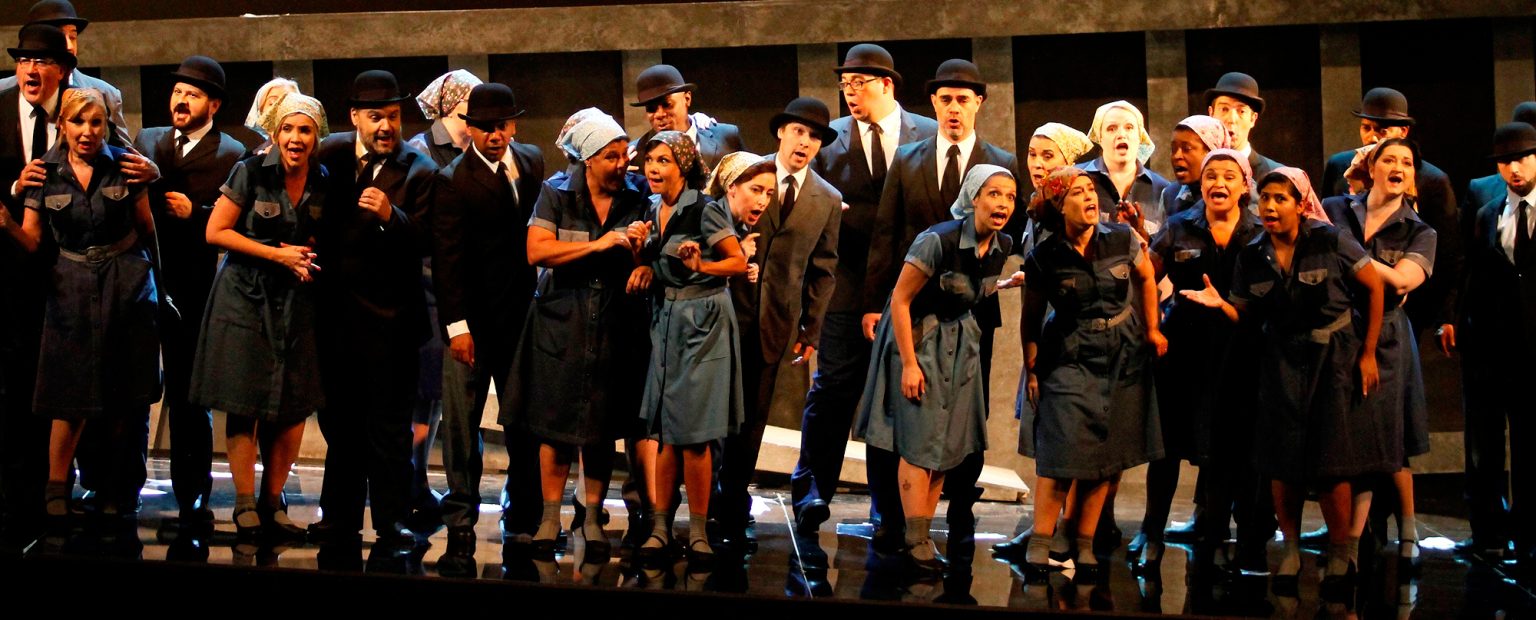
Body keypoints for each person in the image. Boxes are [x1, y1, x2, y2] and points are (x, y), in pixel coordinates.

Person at [1180, 167, 1386, 598]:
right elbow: (1244, 313)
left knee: (1332, 460)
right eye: (1265, 199)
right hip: (1281, 360)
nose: (1270, 207)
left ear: (1300, 204)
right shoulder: (1253, 253)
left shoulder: (1329, 240)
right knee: (1281, 460)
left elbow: (1373, 286)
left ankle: (1341, 551)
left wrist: (1368, 352)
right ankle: (1290, 549)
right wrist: (1220, 305)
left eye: (1280, 199)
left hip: (1333, 359)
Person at [862, 58, 1021, 548]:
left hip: (972, 314)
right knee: (902, 413)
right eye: (946, 99)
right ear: (933, 103)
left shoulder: (1001, 162)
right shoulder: (908, 158)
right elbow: (886, 234)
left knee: (964, 415)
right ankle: (893, 515)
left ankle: (959, 509)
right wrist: (873, 303)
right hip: (915, 310)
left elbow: (1011, 238)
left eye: (963, 99)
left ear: (979, 104)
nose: (954, 108)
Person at [0, 88, 162, 531]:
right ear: (62, 125)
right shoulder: (44, 172)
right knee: (66, 392)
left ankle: (114, 489)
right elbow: (33, 240)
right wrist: (7, 225)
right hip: (69, 287)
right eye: (78, 122)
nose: (88, 132)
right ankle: (56, 490)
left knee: (122, 394)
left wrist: (152, 285)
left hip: (125, 282)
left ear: (107, 126)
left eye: (96, 123)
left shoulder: (126, 165)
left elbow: (147, 227)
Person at [795, 43, 937, 535]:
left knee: (892, 400)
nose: (850, 93)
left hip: (907, 289)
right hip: (846, 287)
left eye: (859, 83)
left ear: (886, 85)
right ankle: (812, 491)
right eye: (845, 85)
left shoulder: (928, 134)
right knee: (833, 389)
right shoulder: (830, 140)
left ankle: (887, 507)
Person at [503, 111, 651, 563]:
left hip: (614, 322)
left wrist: (641, 253)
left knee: (600, 427)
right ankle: (550, 517)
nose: (622, 163)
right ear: (587, 159)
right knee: (555, 425)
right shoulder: (556, 192)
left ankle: (592, 516)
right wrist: (598, 245)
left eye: (624, 154)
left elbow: (650, 254)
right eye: (611, 156)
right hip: (561, 321)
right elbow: (536, 251)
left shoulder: (637, 195)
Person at [854, 164, 1016, 576]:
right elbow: (900, 301)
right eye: (994, 193)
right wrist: (909, 364)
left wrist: (1002, 285)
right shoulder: (937, 240)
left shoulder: (1002, 245)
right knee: (919, 439)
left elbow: (973, 293)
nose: (1003, 203)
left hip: (960, 345)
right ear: (974, 198)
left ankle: (920, 535)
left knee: (944, 445)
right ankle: (914, 539)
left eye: (1011, 197)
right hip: (918, 339)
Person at [187, 92, 329, 540]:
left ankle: (273, 502)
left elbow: (318, 237)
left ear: (317, 138)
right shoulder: (249, 171)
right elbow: (215, 231)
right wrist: (276, 254)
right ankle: (245, 503)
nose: (295, 138)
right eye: (287, 129)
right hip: (244, 298)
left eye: (304, 130)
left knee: (292, 406)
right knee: (243, 402)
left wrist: (304, 257)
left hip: (295, 302)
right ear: (275, 133)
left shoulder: (322, 179)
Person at [1016, 166, 1166, 578]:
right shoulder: (1044, 257)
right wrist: (1032, 369)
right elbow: (1030, 319)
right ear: (1059, 206)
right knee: (1061, 450)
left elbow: (1146, 278)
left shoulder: (1121, 238)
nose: (1089, 198)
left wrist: (1152, 328)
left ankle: (1083, 541)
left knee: (1107, 450)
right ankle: (1041, 540)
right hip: (1069, 352)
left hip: (1123, 352)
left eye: (1090, 190)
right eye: (1077, 192)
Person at [309, 70, 436, 548]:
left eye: (394, 116)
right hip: (336, 321)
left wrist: (391, 215)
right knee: (340, 426)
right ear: (354, 117)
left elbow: (429, 241)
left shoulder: (420, 169)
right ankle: (338, 516)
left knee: (389, 429)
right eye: (376, 116)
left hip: (392, 323)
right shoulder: (330, 155)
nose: (386, 126)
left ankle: (392, 519)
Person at [713, 98, 841, 552]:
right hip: (723, 312)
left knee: (752, 420)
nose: (804, 142)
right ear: (781, 132)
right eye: (798, 132)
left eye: (814, 137)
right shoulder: (747, 173)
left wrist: (811, 329)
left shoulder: (827, 199)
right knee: (715, 414)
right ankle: (709, 499)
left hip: (774, 322)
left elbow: (824, 269)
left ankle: (732, 503)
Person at [428, 82, 545, 567]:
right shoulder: (453, 179)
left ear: (513, 125)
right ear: (470, 129)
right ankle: (461, 517)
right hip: (472, 322)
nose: (495, 135)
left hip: (520, 319)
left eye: (502, 126)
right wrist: (457, 328)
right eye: (485, 128)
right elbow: (447, 260)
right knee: (461, 425)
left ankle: (523, 515)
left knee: (523, 423)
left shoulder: (531, 161)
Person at [1135, 149, 1265, 572]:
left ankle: (1218, 536)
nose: (1218, 183)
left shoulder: (1258, 232)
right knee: (1168, 448)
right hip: (1183, 348)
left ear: (1244, 186)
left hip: (1238, 352)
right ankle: (1152, 533)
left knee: (1228, 449)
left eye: (1228, 175)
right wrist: (1152, 327)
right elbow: (1146, 276)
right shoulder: (1179, 226)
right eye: (1211, 176)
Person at [132, 55, 245, 528]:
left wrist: (195, 214)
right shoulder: (148, 140)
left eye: (193, 94)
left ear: (214, 105)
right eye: (178, 92)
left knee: (187, 396)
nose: (181, 100)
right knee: (133, 387)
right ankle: (123, 484)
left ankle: (191, 493)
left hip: (194, 287)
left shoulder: (231, 153)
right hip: (141, 280)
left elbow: (237, 219)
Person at [629, 130, 747, 566]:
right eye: (649, 160)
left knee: (696, 436)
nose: (653, 168)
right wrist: (640, 258)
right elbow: (653, 262)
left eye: (663, 161)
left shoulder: (706, 208)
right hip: (666, 321)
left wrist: (702, 264)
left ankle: (698, 532)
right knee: (663, 432)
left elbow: (737, 262)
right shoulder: (651, 208)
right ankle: (660, 527)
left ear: (683, 165)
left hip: (703, 322)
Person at [1323, 137, 1437, 570]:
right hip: (1338, 333)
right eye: (1389, 159)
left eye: (1406, 162)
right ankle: (1350, 540)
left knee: (1385, 440)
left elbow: (1404, 280)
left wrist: (1346, 256)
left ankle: (1395, 533)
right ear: (1371, 168)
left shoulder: (1420, 231)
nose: (1398, 167)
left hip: (1387, 340)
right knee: (1348, 440)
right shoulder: (1336, 209)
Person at [1450, 122, 1536, 565]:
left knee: (1529, 445)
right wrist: (1460, 325)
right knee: (1485, 445)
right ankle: (1489, 534)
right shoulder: (1489, 213)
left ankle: (1529, 534)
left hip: (1532, 350)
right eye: (1505, 162)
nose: (1513, 168)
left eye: (1521, 158)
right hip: (1491, 347)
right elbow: (1473, 274)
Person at [1078, 100, 1171, 237]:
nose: (1121, 134)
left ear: (1139, 137)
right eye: (1111, 128)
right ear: (1100, 137)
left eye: (1129, 127)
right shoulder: (1077, 178)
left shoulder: (1163, 190)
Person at [628, 64, 744, 170]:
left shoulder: (726, 137)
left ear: (687, 99)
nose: (659, 114)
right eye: (651, 109)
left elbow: (752, 177)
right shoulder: (634, 154)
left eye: (667, 105)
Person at [1204, 72, 1283, 199]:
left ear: (1253, 119)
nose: (1231, 119)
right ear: (1211, 113)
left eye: (1241, 111)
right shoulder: (1198, 173)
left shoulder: (1276, 175)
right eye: (1224, 109)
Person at [1158, 115, 1230, 218]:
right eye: (1173, 149)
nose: (1177, 156)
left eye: (1187, 149)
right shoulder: (1169, 195)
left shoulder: (1237, 192)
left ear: (1211, 152)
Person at [242, 77, 300, 157]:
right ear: (261, 110)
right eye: (272, 103)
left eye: (287, 102)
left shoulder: (311, 154)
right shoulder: (249, 160)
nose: (279, 108)